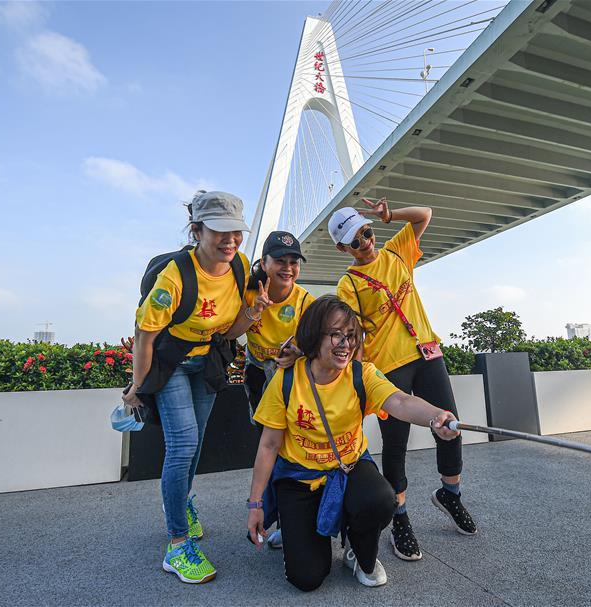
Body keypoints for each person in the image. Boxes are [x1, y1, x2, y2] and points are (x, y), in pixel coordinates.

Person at [245, 294, 461, 591]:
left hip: (348, 467)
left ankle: (357, 550)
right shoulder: (286, 380)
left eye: (351, 335)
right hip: (299, 477)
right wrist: (255, 504)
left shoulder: (363, 374)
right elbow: (269, 446)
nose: (345, 344)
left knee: (381, 499)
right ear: (314, 335)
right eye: (336, 334)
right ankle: (297, 527)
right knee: (306, 578)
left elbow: (399, 401)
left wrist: (436, 416)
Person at [123, 191, 272, 585]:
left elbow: (231, 330)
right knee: (183, 444)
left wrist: (254, 312)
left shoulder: (239, 266)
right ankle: (177, 545)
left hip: (206, 363)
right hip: (171, 363)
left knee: (197, 442)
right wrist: (137, 387)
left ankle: (181, 500)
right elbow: (144, 338)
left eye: (236, 232)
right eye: (220, 231)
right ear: (197, 231)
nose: (231, 241)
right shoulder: (174, 277)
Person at [328, 199, 477, 563]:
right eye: (355, 241)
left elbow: (425, 215)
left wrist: (388, 216)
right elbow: (353, 336)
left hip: (428, 354)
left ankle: (450, 495)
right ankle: (400, 517)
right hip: (388, 366)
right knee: (396, 445)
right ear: (343, 249)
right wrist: (357, 381)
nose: (365, 242)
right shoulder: (349, 284)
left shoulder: (396, 252)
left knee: (450, 426)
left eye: (366, 232)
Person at [242, 231, 315, 550]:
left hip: (290, 382)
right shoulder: (246, 292)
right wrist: (253, 312)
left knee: (290, 449)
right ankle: (268, 513)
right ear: (264, 262)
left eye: (293, 262)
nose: (288, 268)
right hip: (258, 377)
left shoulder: (305, 301)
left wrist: (298, 352)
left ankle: (290, 520)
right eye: (280, 261)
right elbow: (230, 331)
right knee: (267, 447)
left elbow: (316, 344)